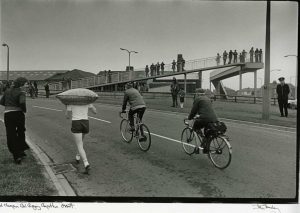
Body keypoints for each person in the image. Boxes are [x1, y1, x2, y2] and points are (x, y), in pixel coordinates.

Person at [0, 77, 29, 164]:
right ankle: (21, 150)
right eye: (26, 83)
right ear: (21, 84)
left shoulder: (7, 91)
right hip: (18, 114)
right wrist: (24, 110)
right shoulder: (21, 92)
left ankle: (16, 156)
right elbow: (22, 103)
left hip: (8, 114)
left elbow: (1, 102)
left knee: (11, 134)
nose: (27, 85)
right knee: (21, 131)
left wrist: (9, 104)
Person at [65, 103, 97, 174]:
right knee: (80, 142)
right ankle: (77, 157)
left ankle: (86, 164)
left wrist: (66, 107)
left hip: (76, 123)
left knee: (79, 144)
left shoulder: (71, 101)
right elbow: (95, 112)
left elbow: (67, 116)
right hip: (85, 123)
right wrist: (91, 105)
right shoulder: (87, 101)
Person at [187, 88, 218, 154]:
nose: (195, 95)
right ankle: (205, 145)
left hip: (205, 118)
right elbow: (206, 110)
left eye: (196, 93)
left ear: (198, 93)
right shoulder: (207, 98)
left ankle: (197, 148)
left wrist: (189, 117)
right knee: (207, 132)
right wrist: (199, 115)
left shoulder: (198, 99)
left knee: (195, 127)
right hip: (214, 118)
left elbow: (193, 111)